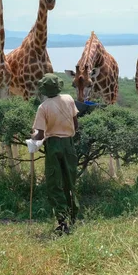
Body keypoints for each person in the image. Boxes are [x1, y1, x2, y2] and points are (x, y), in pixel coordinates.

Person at [31, 73, 80, 235]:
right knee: (70, 181)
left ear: (43, 89)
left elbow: (38, 135)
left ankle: (62, 220)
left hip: (53, 145)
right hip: (69, 145)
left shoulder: (43, 107)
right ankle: (74, 216)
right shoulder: (69, 99)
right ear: (59, 86)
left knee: (54, 182)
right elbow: (76, 124)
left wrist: (32, 142)